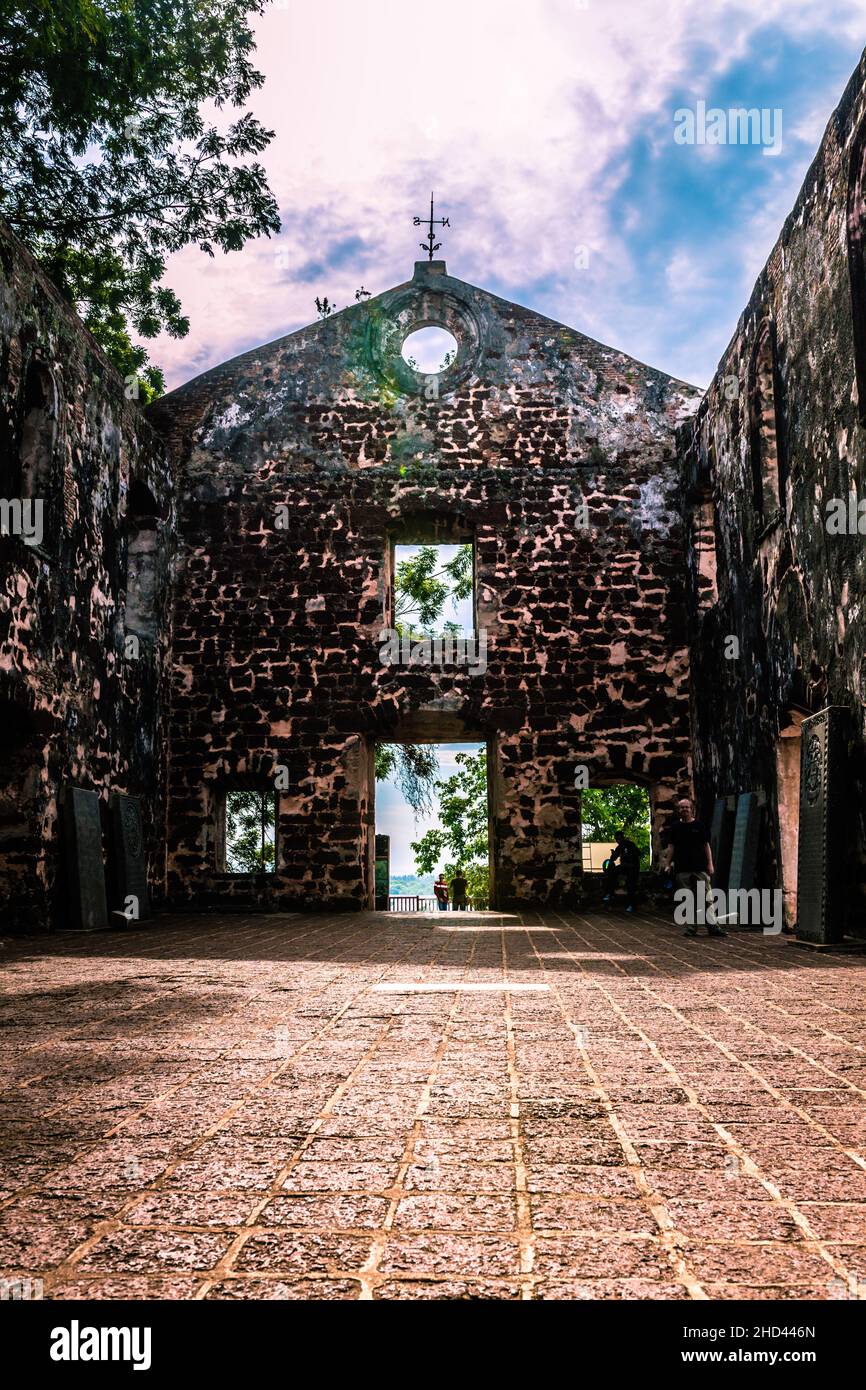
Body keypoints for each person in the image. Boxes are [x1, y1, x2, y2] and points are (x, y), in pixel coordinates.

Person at [661, 796, 727, 938]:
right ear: (679, 810)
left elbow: (706, 846)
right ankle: (691, 928)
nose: (684, 809)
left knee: (707, 898)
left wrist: (710, 864)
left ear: (692, 809)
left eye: (687, 807)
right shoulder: (675, 827)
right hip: (682, 868)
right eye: (682, 807)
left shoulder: (699, 826)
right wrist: (667, 864)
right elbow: (671, 847)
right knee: (687, 899)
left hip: (700, 867)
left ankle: (713, 926)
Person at [602, 829, 640, 912]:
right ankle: (609, 893)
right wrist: (613, 854)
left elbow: (637, 854)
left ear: (623, 838)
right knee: (612, 872)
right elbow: (613, 858)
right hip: (624, 867)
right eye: (617, 839)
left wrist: (628, 857)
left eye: (619, 838)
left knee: (630, 884)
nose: (618, 840)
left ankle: (632, 905)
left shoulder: (630, 845)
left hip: (633, 868)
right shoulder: (620, 847)